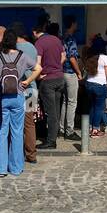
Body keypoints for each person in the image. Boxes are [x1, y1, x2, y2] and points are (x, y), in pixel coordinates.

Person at [0, 29, 41, 177]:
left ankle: (1, 169)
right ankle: (15, 168)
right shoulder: (22, 56)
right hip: (18, 96)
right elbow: (38, 68)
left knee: (1, 132)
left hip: (1, 97)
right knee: (17, 131)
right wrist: (27, 81)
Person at [32, 22, 66, 151]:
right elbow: (63, 57)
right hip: (59, 78)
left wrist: (40, 74)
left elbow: (38, 62)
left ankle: (51, 141)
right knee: (56, 110)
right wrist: (56, 66)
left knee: (50, 112)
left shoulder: (39, 43)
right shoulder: (56, 39)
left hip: (48, 80)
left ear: (35, 32)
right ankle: (54, 135)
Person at [13, 26, 40, 163]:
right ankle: (31, 154)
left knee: (16, 123)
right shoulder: (33, 47)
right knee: (29, 124)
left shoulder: (13, 48)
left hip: (17, 89)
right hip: (32, 89)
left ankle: (17, 153)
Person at [84, 47, 107, 137]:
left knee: (92, 106)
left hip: (89, 84)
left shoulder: (89, 57)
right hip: (100, 86)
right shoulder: (104, 58)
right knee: (99, 108)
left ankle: (90, 127)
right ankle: (95, 130)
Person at [61, 18, 83, 139]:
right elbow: (72, 57)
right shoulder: (71, 39)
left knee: (65, 101)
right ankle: (69, 130)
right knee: (72, 102)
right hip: (70, 72)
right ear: (73, 24)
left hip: (62, 72)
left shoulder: (62, 37)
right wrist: (79, 72)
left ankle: (61, 128)